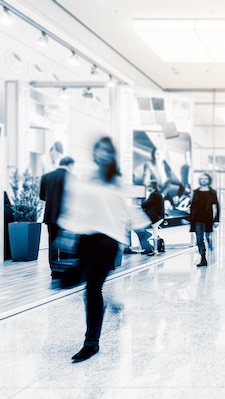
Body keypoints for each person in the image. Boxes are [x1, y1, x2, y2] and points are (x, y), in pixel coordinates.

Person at [58, 136, 149, 363]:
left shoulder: (116, 181)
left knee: (92, 288)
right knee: (87, 284)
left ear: (112, 155)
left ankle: (91, 343)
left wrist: (142, 229)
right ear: (95, 153)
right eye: (100, 150)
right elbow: (75, 205)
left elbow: (128, 208)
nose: (103, 154)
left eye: (108, 151)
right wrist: (66, 232)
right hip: (86, 238)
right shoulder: (85, 178)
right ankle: (77, 277)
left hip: (109, 240)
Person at [39, 156, 75, 278]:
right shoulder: (71, 178)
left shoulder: (46, 177)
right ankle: (64, 269)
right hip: (66, 216)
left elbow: (42, 197)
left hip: (50, 216)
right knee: (65, 243)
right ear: (70, 165)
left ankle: (54, 271)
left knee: (52, 243)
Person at [190, 173, 220, 267]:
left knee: (208, 237)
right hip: (198, 219)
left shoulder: (212, 192)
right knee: (199, 240)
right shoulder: (196, 192)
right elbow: (193, 206)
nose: (203, 180)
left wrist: (216, 220)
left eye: (205, 179)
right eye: (202, 179)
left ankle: (210, 246)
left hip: (208, 219)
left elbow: (216, 206)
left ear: (208, 180)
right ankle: (203, 258)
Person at [137, 181, 165, 256]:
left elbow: (145, 204)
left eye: (148, 186)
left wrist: (141, 202)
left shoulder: (154, 194)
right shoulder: (157, 194)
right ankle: (150, 246)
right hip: (159, 217)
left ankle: (150, 244)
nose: (147, 188)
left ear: (152, 187)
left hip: (156, 217)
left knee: (138, 227)